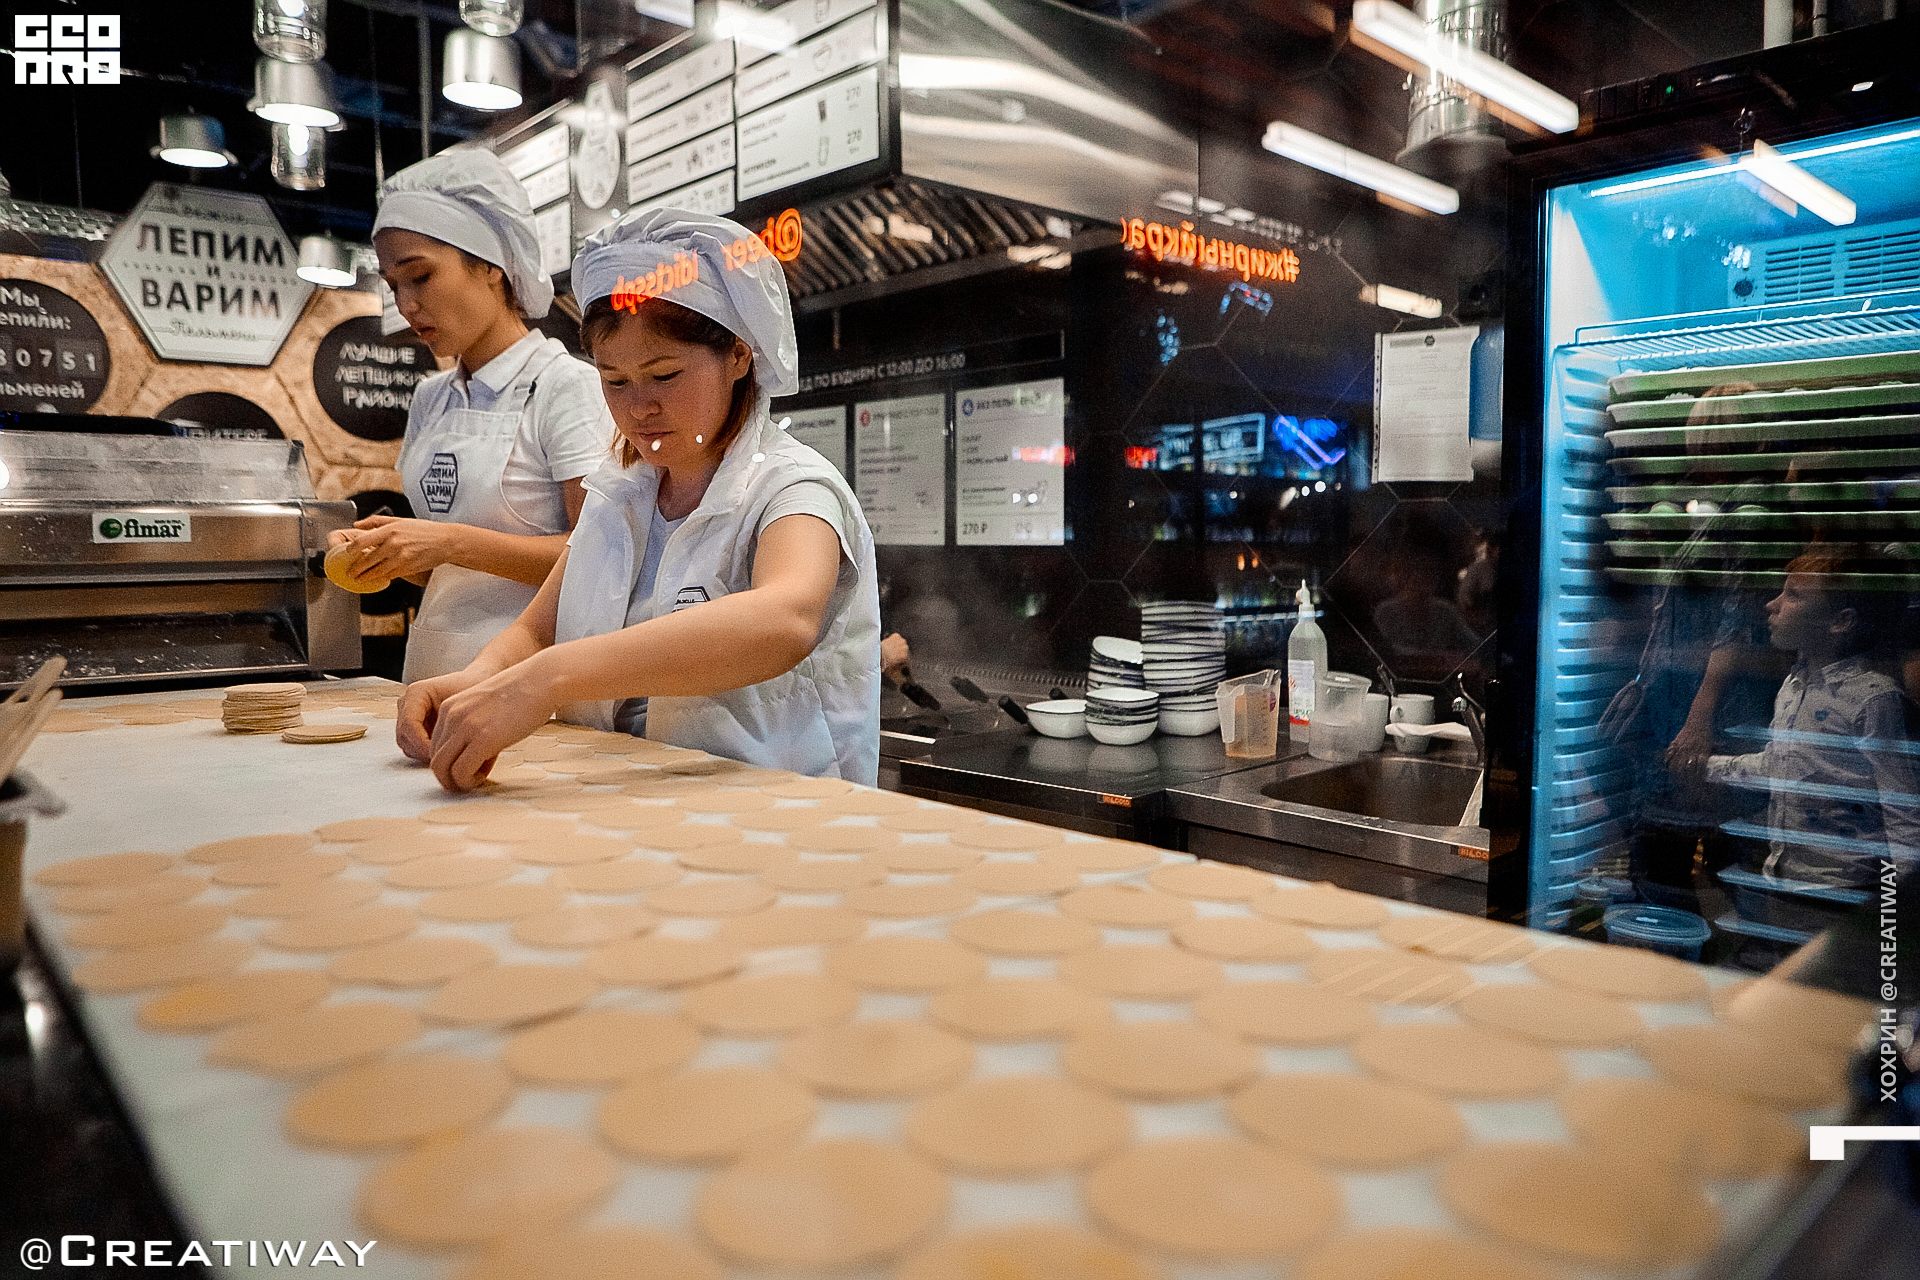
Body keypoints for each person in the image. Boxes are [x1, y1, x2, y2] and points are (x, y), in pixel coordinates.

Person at [398, 208, 881, 791]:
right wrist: (476, 680)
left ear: (738, 356)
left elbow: (785, 617)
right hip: (631, 793)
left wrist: (548, 680)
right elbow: (537, 631)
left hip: (774, 805)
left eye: (664, 375)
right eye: (615, 380)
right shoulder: (620, 494)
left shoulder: (792, 486)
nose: (639, 406)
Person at [329, 149, 613, 682]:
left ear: (490, 267)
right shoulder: (430, 397)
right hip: (433, 671)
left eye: (420, 276)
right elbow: (450, 578)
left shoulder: (566, 387)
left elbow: (599, 560)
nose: (406, 305)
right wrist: (392, 554)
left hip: (534, 682)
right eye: (393, 286)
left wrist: (447, 541)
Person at [1705, 544, 1920, 891]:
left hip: (1845, 889)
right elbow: (1784, 765)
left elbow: (1903, 810)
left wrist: (1896, 905)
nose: (1772, 604)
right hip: (1783, 879)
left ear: (1841, 621)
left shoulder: (1873, 699)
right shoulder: (1793, 685)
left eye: (1793, 595)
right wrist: (1708, 767)